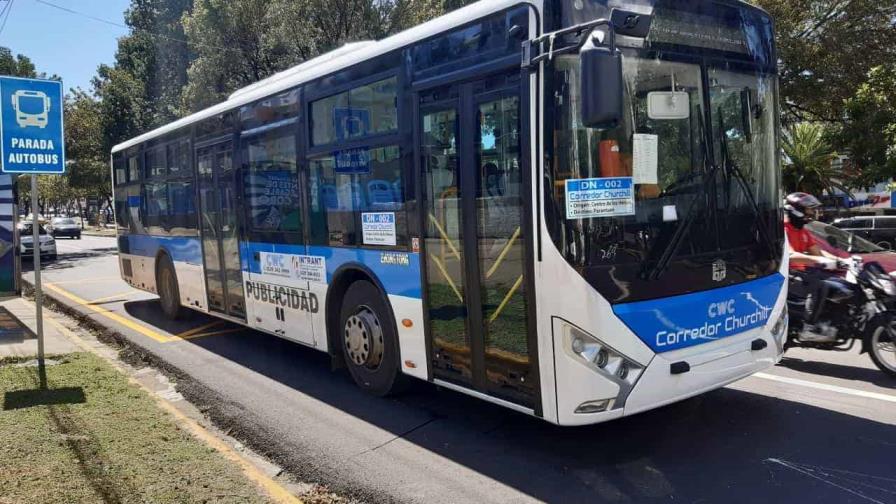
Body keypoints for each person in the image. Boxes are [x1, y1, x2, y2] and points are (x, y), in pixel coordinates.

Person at [784, 192, 839, 341]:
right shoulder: (785, 229)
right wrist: (818, 260)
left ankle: (829, 321)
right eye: (809, 209)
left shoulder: (803, 232)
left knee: (837, 282)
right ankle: (808, 328)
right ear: (796, 211)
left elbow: (818, 252)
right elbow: (790, 255)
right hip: (788, 273)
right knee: (821, 286)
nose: (812, 213)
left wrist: (841, 260)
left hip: (801, 272)